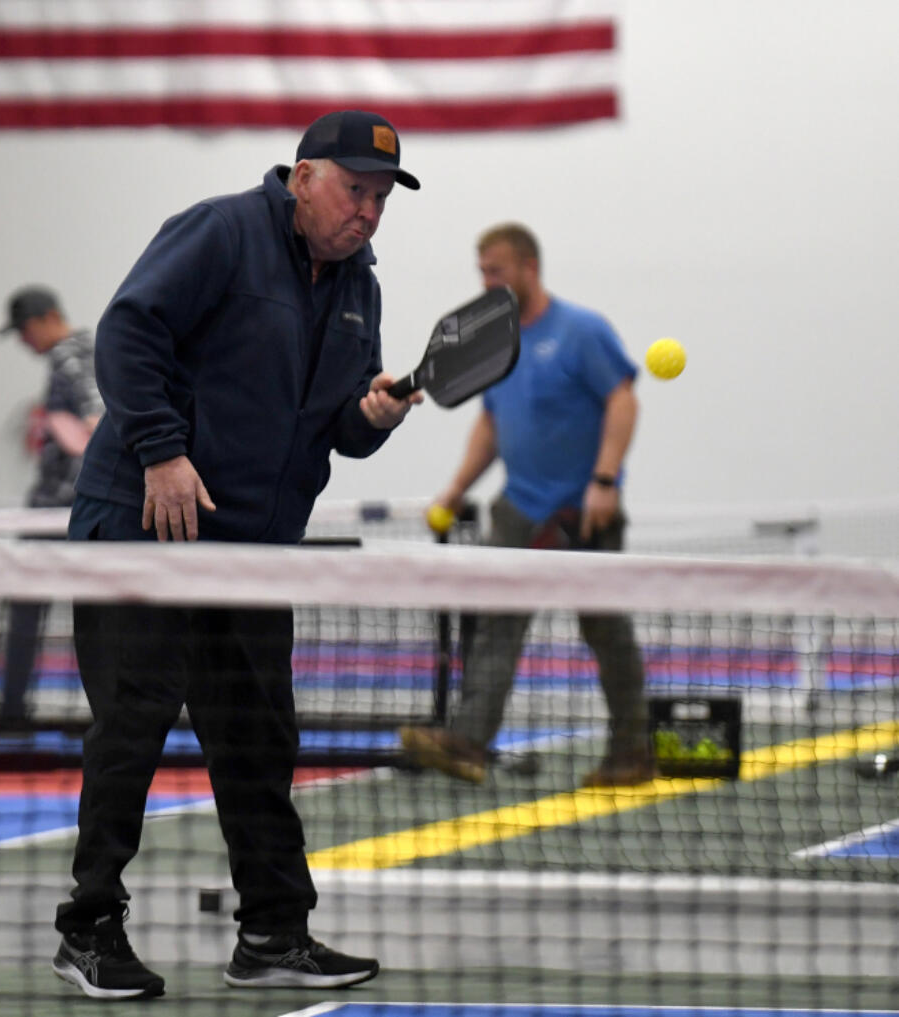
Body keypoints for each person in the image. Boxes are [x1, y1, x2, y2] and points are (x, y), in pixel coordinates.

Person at [50, 110, 423, 1000]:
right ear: (301, 178)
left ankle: (273, 934)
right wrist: (161, 450)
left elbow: (334, 426)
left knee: (259, 739)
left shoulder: (359, 288)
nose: (368, 212)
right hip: (145, 524)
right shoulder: (219, 232)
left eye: (381, 198)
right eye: (354, 190)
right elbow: (128, 333)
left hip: (253, 550)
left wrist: (367, 419)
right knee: (131, 731)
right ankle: (89, 927)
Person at [400, 223, 655, 789]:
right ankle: (467, 743)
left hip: (581, 515)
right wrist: (455, 489)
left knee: (606, 631)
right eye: (482, 271)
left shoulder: (582, 331)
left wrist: (605, 480)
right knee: (496, 624)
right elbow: (492, 423)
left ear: (528, 268)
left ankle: (632, 753)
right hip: (517, 508)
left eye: (496, 270)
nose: (487, 281)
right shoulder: (495, 342)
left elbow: (623, 399)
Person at [0, 286, 102, 730]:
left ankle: (12, 711)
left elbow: (96, 419)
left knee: (26, 606)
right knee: (95, 614)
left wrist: (72, 434)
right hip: (79, 510)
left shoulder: (68, 357)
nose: (23, 340)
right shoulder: (93, 347)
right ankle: (106, 714)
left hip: (58, 512)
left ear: (48, 318)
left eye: (25, 329)